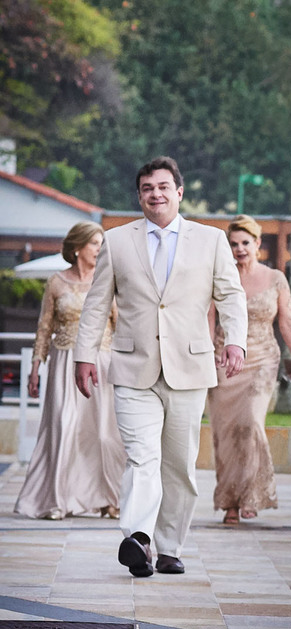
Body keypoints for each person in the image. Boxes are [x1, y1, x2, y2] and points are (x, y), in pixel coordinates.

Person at [74, 156, 247, 578]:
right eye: (148, 188)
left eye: (163, 187)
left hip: (189, 366)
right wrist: (83, 354)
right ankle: (139, 538)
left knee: (180, 465)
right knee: (141, 458)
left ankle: (170, 546)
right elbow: (97, 303)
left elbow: (231, 296)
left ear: (179, 192)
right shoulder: (116, 242)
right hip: (133, 367)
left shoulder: (210, 241)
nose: (156, 194)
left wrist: (236, 342)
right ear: (139, 196)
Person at [15, 222, 124, 520]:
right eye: (95, 244)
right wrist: (36, 368)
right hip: (63, 363)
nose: (100, 249)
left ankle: (109, 499)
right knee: (63, 427)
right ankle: (57, 500)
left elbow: (121, 326)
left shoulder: (108, 281)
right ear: (77, 248)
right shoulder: (56, 282)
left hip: (101, 364)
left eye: (102, 244)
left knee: (103, 434)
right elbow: (44, 328)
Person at [208, 215, 291, 525]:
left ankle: (251, 494)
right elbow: (209, 317)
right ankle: (230, 503)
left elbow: (286, 320)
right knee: (226, 433)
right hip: (225, 361)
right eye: (233, 244)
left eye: (245, 243)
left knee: (250, 423)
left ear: (258, 244)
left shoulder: (276, 278)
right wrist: (210, 351)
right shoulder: (220, 276)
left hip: (263, 358)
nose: (239, 249)